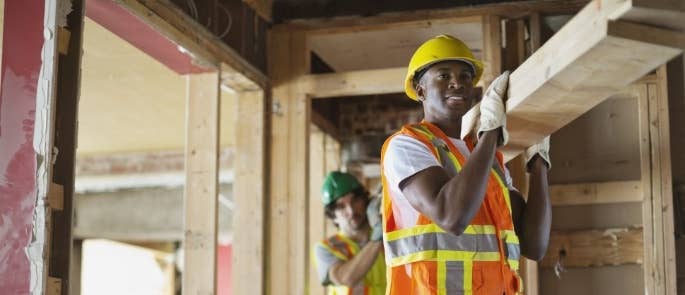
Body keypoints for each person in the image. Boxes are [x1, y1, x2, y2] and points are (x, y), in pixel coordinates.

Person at [380, 34, 552, 294]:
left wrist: (538, 164)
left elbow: (534, 245)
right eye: (444, 75)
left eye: (465, 77)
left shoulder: (485, 157)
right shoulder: (407, 145)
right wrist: (490, 133)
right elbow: (452, 216)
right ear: (420, 90)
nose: (456, 83)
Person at [313, 171, 387, 294]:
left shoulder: (387, 237)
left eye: (355, 201)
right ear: (333, 216)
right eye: (341, 206)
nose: (351, 210)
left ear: (365, 201)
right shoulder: (326, 248)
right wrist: (377, 236)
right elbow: (345, 278)